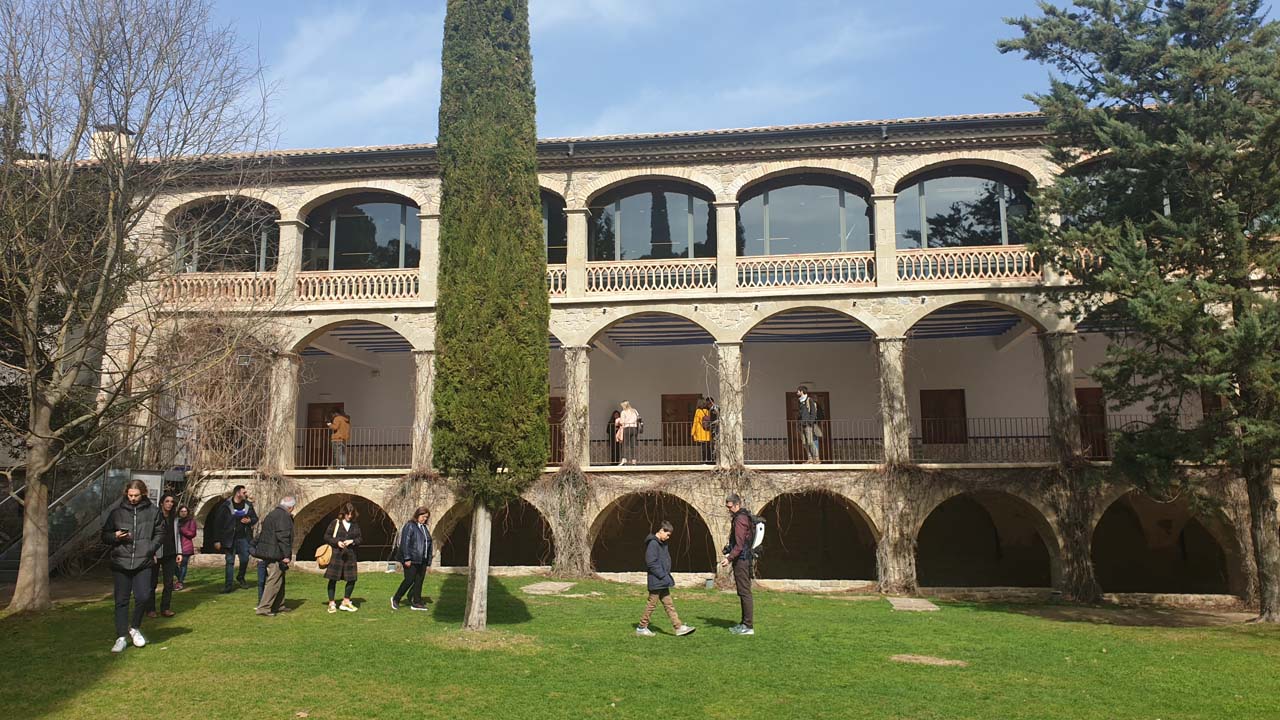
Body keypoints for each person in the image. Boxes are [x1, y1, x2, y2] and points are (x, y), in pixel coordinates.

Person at [100, 479, 165, 653]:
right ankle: (121, 637)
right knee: (121, 601)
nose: (133, 499)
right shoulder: (117, 513)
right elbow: (104, 535)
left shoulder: (153, 512)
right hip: (121, 561)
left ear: (143, 494)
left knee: (143, 596)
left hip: (143, 561)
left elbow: (160, 533)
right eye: (130, 495)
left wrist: (150, 548)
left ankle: (134, 628)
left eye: (136, 495)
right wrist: (115, 536)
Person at [636, 520, 696, 637]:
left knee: (669, 604)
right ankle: (641, 627)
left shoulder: (662, 544)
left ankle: (678, 627)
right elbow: (651, 563)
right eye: (667, 534)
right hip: (656, 580)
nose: (668, 537)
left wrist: (666, 577)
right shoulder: (653, 544)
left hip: (662, 581)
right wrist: (663, 576)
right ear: (661, 530)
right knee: (651, 605)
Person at [253, 496, 297, 617]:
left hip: (269, 551)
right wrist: (286, 555)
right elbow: (283, 537)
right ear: (291, 507)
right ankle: (264, 608)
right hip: (276, 553)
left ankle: (279, 605)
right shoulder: (283, 517)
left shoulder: (272, 514)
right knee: (274, 580)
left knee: (279, 579)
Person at [719, 493, 754, 635]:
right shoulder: (743, 516)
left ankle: (748, 626)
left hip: (742, 560)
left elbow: (739, 545)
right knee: (743, 592)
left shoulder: (740, 519)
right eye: (727, 507)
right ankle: (744, 623)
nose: (729, 510)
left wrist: (729, 558)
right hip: (743, 559)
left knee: (744, 592)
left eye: (730, 507)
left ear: (737, 504)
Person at [213, 485, 258, 593]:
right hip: (229, 538)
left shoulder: (248, 505)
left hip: (243, 538)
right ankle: (228, 585)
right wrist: (217, 540)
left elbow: (255, 518)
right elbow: (217, 523)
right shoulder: (226, 506)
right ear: (238, 493)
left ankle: (240, 577)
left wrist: (250, 521)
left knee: (245, 559)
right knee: (230, 561)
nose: (246, 494)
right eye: (244, 492)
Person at [144, 494, 180, 617]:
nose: (170, 504)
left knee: (169, 582)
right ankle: (150, 609)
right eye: (167, 501)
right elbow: (150, 535)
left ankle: (165, 608)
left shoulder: (174, 518)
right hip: (156, 553)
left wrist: (179, 552)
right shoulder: (155, 516)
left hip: (170, 553)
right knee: (152, 583)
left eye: (171, 502)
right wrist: (151, 552)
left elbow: (177, 536)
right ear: (161, 503)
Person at [391, 506, 433, 611]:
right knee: (409, 580)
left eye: (426, 517)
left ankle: (416, 601)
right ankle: (396, 598)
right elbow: (405, 543)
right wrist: (407, 558)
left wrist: (428, 560)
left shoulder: (424, 528)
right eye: (423, 516)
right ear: (418, 515)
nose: (425, 519)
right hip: (412, 559)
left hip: (422, 559)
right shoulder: (410, 526)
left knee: (419, 580)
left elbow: (428, 543)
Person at [323, 502, 362, 613]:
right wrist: (337, 542)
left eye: (351, 514)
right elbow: (326, 536)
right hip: (336, 555)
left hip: (350, 555)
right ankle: (331, 603)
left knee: (352, 579)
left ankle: (346, 601)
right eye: (348, 514)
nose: (349, 516)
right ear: (343, 513)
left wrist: (352, 541)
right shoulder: (336, 523)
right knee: (333, 579)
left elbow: (360, 539)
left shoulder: (355, 525)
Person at [796, 385, 821, 464]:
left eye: (798, 391)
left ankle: (816, 458)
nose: (797, 392)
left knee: (810, 442)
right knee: (804, 443)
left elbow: (813, 412)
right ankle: (809, 458)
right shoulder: (800, 401)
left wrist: (810, 422)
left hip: (808, 425)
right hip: (802, 425)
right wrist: (798, 423)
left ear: (802, 391)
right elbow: (800, 414)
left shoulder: (809, 400)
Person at [175, 504, 197, 590]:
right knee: (173, 565)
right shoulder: (176, 521)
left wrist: (182, 529)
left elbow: (192, 534)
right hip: (176, 546)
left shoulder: (191, 521)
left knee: (183, 565)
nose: (183, 513)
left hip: (186, 546)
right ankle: (179, 578)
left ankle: (180, 582)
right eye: (182, 511)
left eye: (185, 511)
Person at [616, 401, 640, 466]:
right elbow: (638, 418)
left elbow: (622, 421)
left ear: (624, 406)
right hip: (634, 428)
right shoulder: (634, 411)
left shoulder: (623, 412)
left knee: (625, 444)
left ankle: (624, 459)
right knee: (633, 445)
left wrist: (618, 420)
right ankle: (634, 460)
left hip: (627, 428)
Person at [692, 398, 713, 464]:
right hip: (707, 432)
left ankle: (705, 461)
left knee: (704, 448)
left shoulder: (698, 411)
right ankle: (710, 460)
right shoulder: (707, 411)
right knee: (708, 448)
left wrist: (692, 432)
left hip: (701, 432)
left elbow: (695, 422)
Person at [706, 397, 721, 463]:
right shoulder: (715, 408)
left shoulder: (714, 409)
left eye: (708, 404)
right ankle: (715, 459)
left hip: (716, 429)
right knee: (714, 444)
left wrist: (712, 423)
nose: (707, 405)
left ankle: (716, 460)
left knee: (715, 443)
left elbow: (717, 418)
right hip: (714, 428)